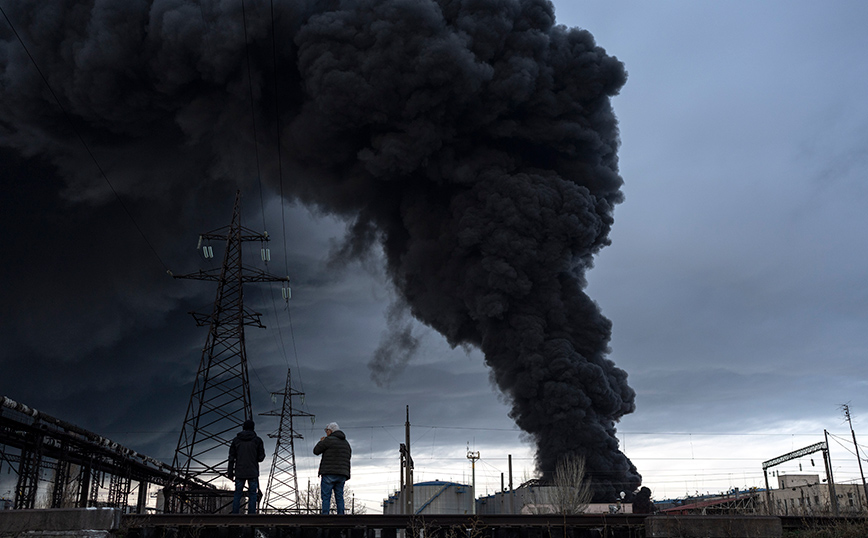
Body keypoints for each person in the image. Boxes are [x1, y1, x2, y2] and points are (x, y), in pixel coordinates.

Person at [313, 422, 352, 514]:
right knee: (339, 496)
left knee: (326, 496)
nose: (326, 433)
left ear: (330, 431)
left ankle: (325, 516)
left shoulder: (328, 440)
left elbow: (316, 451)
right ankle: (341, 516)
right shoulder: (346, 443)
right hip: (342, 474)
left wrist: (321, 441)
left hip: (328, 472)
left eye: (327, 431)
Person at [228, 419, 266, 514]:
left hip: (239, 472)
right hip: (252, 472)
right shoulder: (257, 440)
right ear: (253, 428)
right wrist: (254, 456)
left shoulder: (236, 441)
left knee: (238, 494)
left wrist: (230, 473)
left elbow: (231, 458)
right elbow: (261, 458)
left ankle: (235, 515)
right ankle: (251, 516)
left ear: (243, 428)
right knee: (253, 494)